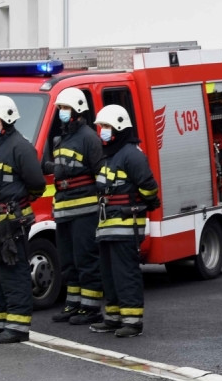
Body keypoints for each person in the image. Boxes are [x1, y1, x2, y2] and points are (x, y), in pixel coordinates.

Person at [0, 95, 47, 344]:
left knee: (13, 274)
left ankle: (17, 327)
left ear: (6, 120)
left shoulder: (20, 147)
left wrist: (16, 202)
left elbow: (37, 184)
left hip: (10, 222)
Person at [90, 105, 159, 337]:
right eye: (101, 126)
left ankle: (132, 321)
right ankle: (113, 318)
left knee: (125, 273)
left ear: (119, 127)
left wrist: (148, 203)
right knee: (109, 274)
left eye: (106, 126)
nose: (102, 131)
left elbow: (149, 187)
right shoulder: (109, 155)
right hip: (107, 225)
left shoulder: (131, 154)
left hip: (125, 225)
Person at [43, 87, 105, 326]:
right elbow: (61, 172)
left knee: (85, 259)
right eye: (60, 108)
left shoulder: (89, 138)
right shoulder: (62, 139)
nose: (62, 112)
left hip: (85, 211)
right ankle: (73, 304)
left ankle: (90, 308)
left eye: (65, 108)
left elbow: (100, 173)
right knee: (68, 261)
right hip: (65, 210)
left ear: (78, 110)